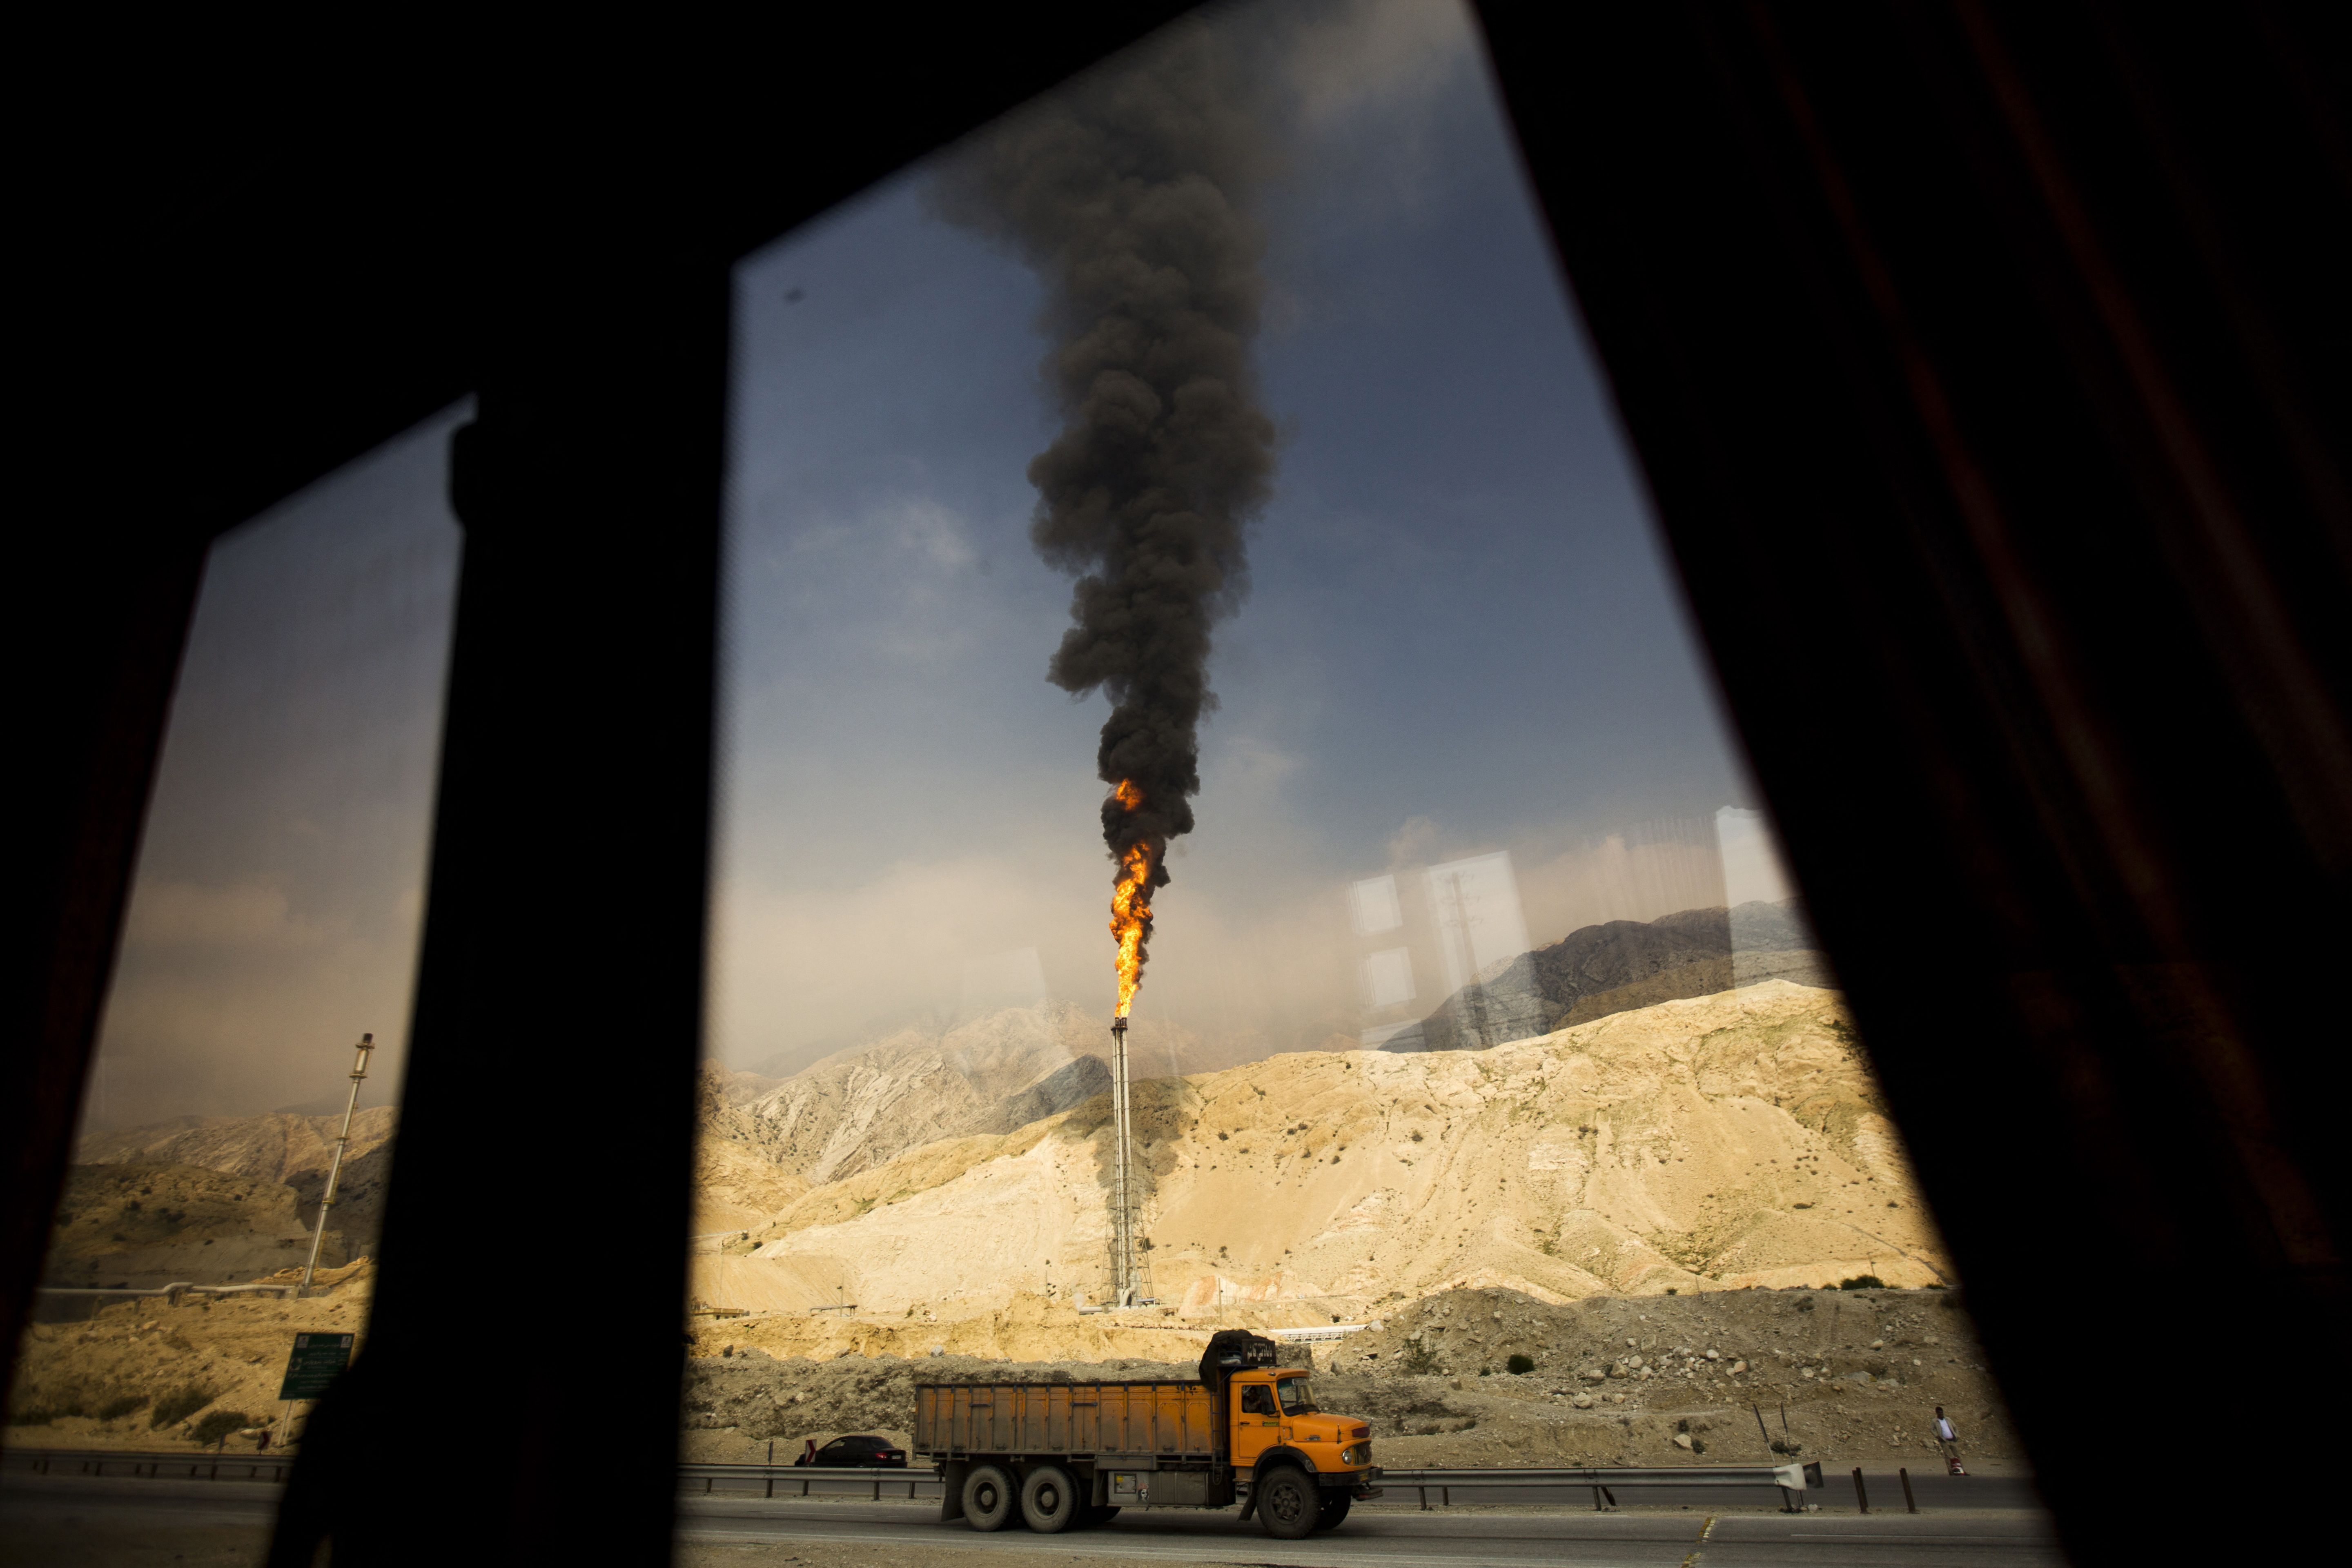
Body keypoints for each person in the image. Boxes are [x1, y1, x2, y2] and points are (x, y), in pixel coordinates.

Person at [1933, 1406, 1966, 1475]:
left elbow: (1955, 1427)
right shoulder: (1935, 1421)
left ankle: (1963, 1470)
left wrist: (1957, 1435)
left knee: (1958, 1455)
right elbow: (1932, 1429)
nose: (1941, 1414)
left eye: (1942, 1412)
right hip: (1944, 1441)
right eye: (1939, 1412)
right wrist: (1937, 1436)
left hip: (1952, 1440)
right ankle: (1951, 1471)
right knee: (1948, 1456)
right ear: (1937, 1413)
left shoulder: (1948, 1419)